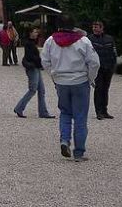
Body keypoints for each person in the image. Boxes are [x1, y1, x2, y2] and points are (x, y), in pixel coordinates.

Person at [41, 15, 101, 162]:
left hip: (61, 82)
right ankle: (79, 152)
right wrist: (90, 78)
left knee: (65, 113)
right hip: (80, 81)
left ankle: (64, 140)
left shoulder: (50, 41)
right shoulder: (83, 40)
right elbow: (94, 62)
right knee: (80, 117)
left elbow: (45, 61)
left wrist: (54, 76)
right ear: (74, 25)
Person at [14, 28, 55, 119]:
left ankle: (43, 112)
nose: (37, 33)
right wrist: (40, 62)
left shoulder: (32, 43)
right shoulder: (29, 43)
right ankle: (19, 108)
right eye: (35, 32)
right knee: (32, 89)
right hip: (32, 68)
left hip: (36, 68)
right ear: (30, 33)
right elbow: (31, 57)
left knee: (41, 90)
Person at [88, 21, 118, 118]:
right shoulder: (89, 39)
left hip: (108, 67)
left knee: (105, 89)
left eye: (96, 27)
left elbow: (114, 53)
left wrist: (113, 66)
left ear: (102, 28)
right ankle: (99, 112)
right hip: (97, 69)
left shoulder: (109, 39)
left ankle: (104, 110)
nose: (94, 29)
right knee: (99, 89)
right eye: (93, 27)